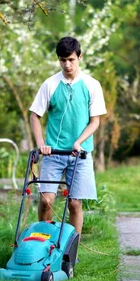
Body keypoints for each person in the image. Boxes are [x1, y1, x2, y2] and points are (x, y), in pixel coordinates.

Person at [29, 36, 107, 237]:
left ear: (80, 57)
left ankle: (70, 254)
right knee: (46, 200)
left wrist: (78, 142)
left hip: (80, 155)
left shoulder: (92, 85)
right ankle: (43, 241)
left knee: (74, 204)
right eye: (63, 60)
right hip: (53, 153)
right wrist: (41, 144)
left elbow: (95, 121)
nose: (67, 64)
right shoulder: (50, 84)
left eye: (71, 59)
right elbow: (35, 116)